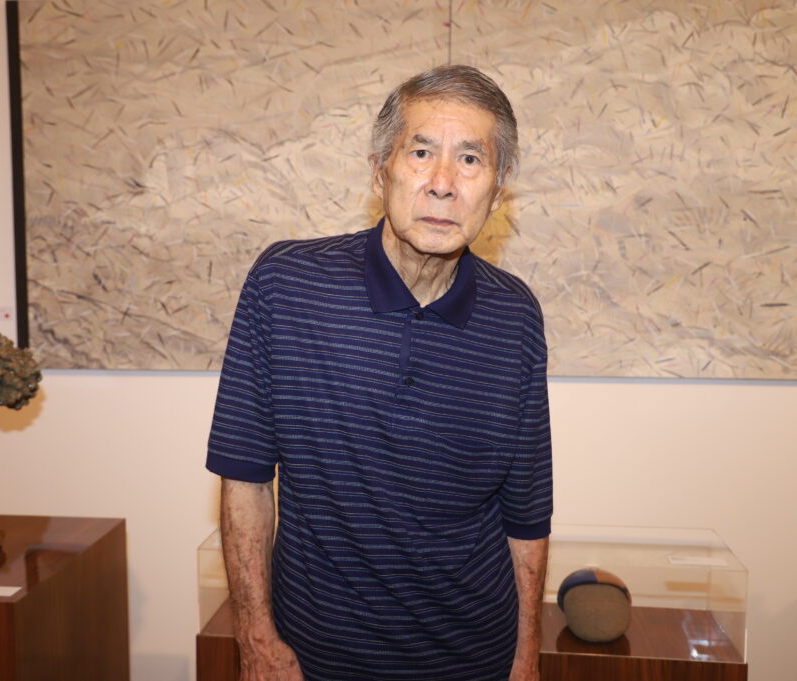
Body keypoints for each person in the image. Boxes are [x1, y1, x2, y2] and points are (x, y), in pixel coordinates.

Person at [207, 64, 552, 681]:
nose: (442, 184)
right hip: (316, 659)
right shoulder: (285, 287)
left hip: (474, 658)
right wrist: (255, 637)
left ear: (497, 191)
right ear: (379, 171)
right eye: (421, 152)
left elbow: (525, 512)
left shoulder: (516, 315)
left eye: (470, 159)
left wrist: (526, 657)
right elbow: (245, 478)